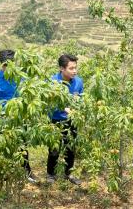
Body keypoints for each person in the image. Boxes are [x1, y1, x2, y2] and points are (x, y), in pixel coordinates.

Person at [0, 49, 36, 183]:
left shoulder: (22, 77)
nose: (9, 68)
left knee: (22, 146)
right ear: (2, 64)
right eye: (6, 65)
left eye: (12, 64)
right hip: (2, 120)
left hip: (20, 118)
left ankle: (26, 172)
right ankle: (6, 173)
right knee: (4, 146)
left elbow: (30, 97)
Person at [46, 54, 83, 185]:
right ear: (62, 68)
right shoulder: (52, 82)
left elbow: (81, 99)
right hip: (55, 120)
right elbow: (49, 103)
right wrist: (64, 108)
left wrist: (79, 108)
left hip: (72, 120)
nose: (74, 71)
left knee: (71, 148)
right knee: (54, 149)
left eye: (75, 68)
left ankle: (69, 173)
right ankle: (50, 174)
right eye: (71, 68)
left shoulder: (78, 82)